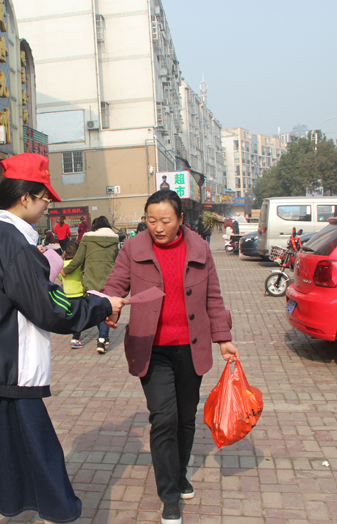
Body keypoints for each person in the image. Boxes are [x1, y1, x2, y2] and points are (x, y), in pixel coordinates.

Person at [0, 152, 126, 524]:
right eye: (45, 199)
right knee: (46, 477)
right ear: (25, 197)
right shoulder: (13, 244)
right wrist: (100, 303)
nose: (47, 207)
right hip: (9, 379)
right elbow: (53, 308)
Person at [101, 190, 239, 524]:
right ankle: (170, 496)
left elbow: (214, 296)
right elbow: (116, 284)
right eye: (151, 220)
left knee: (185, 419)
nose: (158, 227)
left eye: (165, 220)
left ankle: (179, 474)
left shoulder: (200, 248)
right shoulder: (133, 248)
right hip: (151, 346)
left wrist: (223, 338)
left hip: (191, 346)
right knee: (164, 417)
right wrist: (109, 305)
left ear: (180, 219)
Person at [60, 216, 119, 354]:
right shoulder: (115, 239)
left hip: (92, 279)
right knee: (107, 308)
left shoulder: (87, 238)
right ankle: (103, 339)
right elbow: (116, 260)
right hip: (109, 278)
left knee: (98, 308)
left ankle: (102, 338)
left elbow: (78, 260)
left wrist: (65, 270)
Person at [58, 240, 85, 348]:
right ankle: (75, 339)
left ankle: (72, 331)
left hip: (67, 294)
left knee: (72, 315)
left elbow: (60, 278)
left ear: (65, 252)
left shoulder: (62, 265)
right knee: (79, 316)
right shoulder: (79, 265)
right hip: (78, 293)